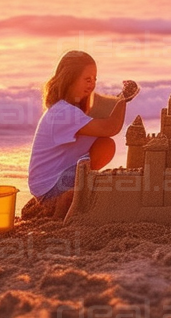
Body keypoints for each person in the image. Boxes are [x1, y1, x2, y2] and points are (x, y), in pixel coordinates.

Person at [26, 50, 137, 219]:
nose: (92, 84)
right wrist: (124, 100)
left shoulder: (72, 109)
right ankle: (64, 201)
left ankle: (72, 193)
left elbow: (105, 117)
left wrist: (118, 99)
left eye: (94, 79)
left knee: (105, 145)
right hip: (49, 187)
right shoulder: (63, 113)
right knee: (96, 191)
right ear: (70, 79)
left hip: (54, 180)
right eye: (87, 79)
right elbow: (110, 127)